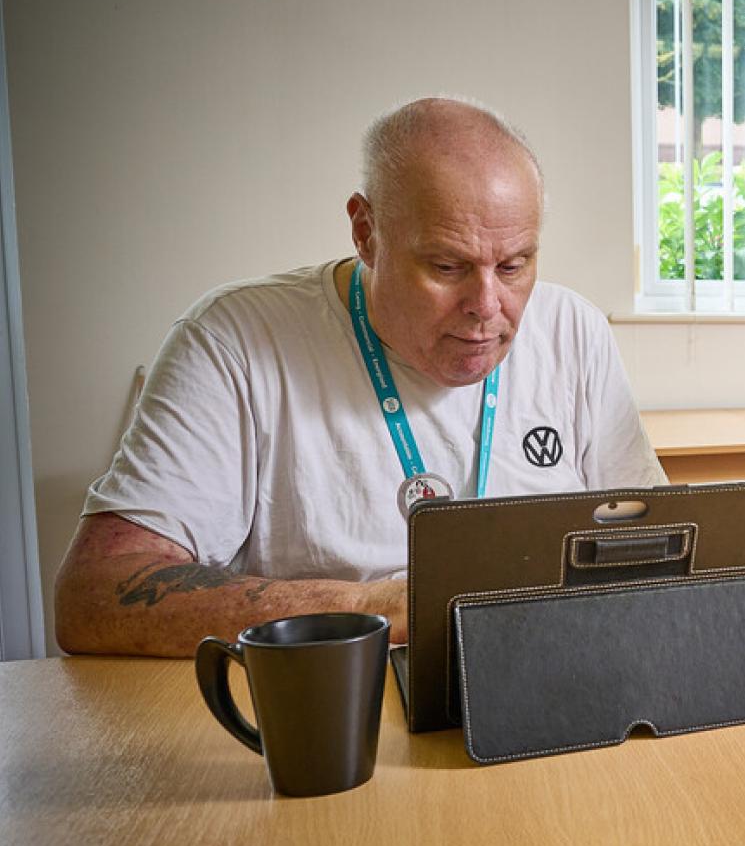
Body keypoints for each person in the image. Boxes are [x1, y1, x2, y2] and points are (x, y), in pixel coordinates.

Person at [53, 97, 666, 656]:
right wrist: (377, 607)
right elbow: (93, 597)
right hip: (338, 696)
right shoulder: (236, 340)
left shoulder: (575, 331)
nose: (487, 305)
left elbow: (660, 545)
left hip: (541, 675)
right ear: (366, 232)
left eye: (513, 265)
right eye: (447, 266)